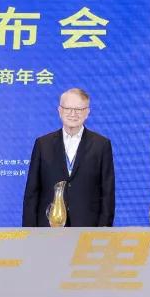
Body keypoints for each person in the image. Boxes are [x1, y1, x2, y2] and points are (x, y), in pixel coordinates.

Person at [22, 88, 114, 227]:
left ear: (87, 112)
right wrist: (29, 231)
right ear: (60, 110)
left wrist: (103, 230)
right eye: (68, 108)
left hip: (88, 228)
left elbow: (107, 193)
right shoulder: (43, 144)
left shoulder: (101, 145)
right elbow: (32, 192)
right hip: (48, 227)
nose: (73, 114)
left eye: (79, 109)